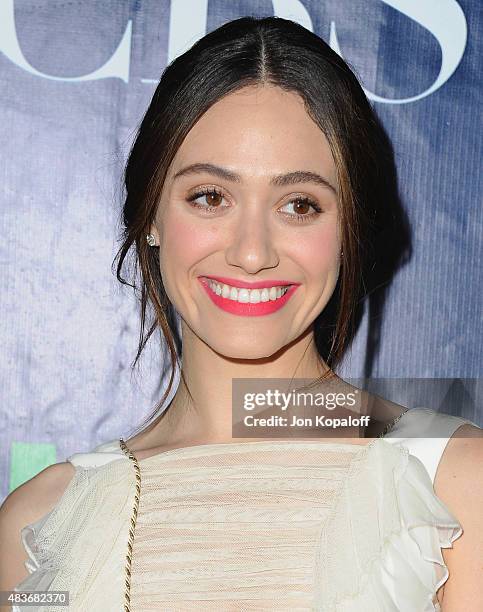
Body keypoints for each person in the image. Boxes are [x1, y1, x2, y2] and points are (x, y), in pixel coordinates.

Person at [1, 15, 481, 611]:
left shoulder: (455, 482)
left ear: (349, 229)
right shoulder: (40, 521)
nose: (251, 252)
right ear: (150, 214)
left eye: (300, 204)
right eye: (210, 197)